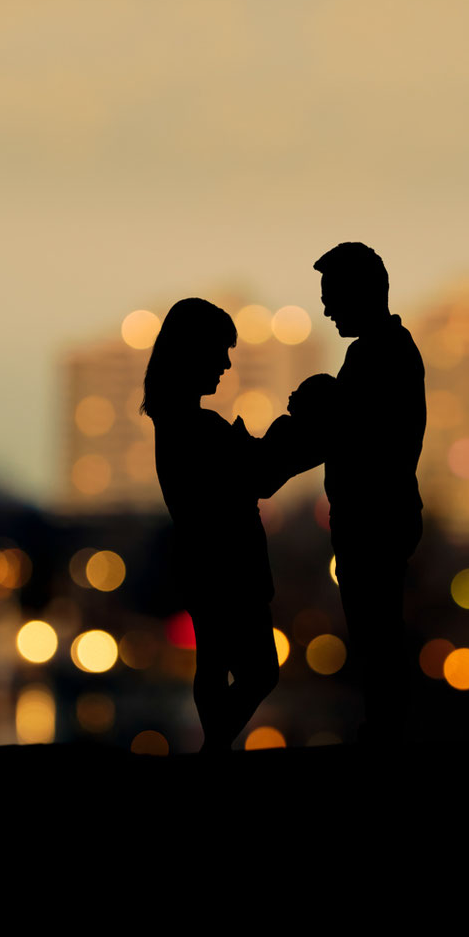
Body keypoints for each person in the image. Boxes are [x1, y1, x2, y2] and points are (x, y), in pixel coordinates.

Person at [141, 297, 316, 753]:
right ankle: (214, 749)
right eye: (219, 349)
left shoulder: (177, 424)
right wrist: (302, 430)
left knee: (215, 663)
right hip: (228, 564)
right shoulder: (197, 429)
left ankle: (213, 749)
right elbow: (259, 473)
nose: (225, 363)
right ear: (192, 352)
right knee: (259, 671)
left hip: (202, 562)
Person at [293, 242, 426, 745]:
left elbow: (353, 430)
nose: (325, 309)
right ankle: (385, 724)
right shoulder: (380, 352)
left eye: (332, 296)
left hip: (375, 518)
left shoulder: (378, 355)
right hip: (376, 515)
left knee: (376, 630)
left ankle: (387, 729)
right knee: (375, 628)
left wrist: (320, 403)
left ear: (360, 293)